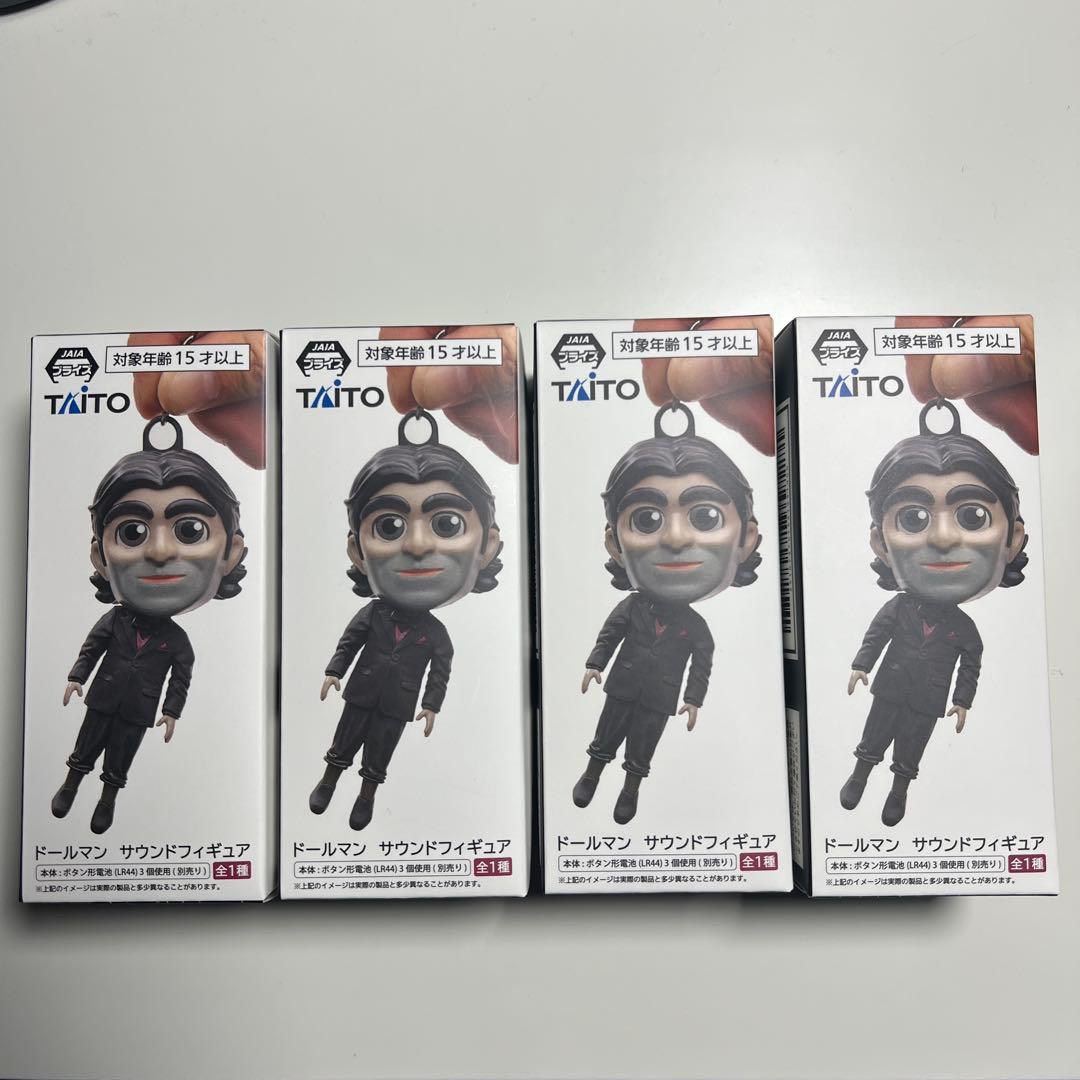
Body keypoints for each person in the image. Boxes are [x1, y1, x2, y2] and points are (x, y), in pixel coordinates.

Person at [309, 409, 503, 831]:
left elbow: (440, 672)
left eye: (447, 524)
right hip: (362, 691)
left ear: (486, 547)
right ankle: (329, 780)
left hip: (399, 703)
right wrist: (334, 671)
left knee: (380, 751)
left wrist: (431, 706)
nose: (416, 546)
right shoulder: (372, 613)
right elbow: (349, 642)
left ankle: (366, 795)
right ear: (358, 552)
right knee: (345, 739)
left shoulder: (437, 634)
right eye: (389, 526)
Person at [52, 416, 247, 834]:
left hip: (139, 708)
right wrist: (76, 677)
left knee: (121, 756)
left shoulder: (178, 642)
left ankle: (107, 799)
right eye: (132, 532)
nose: (159, 552)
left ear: (230, 553)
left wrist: (171, 712)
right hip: (104, 697)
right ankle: (71, 784)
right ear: (101, 558)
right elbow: (91, 648)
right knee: (86, 744)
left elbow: (180, 679)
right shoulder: (114, 620)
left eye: (190, 530)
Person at [841, 399, 1029, 826]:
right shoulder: (898, 607)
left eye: (973, 516)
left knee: (911, 748)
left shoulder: (966, 630)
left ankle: (898, 792)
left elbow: (970, 666)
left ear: (1013, 539)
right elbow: (876, 634)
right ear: (880, 543)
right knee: (874, 735)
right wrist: (860, 665)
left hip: (929, 699)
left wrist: (962, 702)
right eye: (913, 518)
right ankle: (859, 775)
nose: (943, 539)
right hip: (891, 686)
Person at [574, 403, 762, 824]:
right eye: (646, 519)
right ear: (615, 544)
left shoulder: (697, 628)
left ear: (746, 539)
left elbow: (701, 665)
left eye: (705, 517)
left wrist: (693, 700)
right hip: (623, 685)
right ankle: (592, 773)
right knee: (606, 733)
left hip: (661, 696)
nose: (675, 539)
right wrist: (594, 664)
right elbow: (609, 635)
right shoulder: (630, 607)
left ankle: (630, 789)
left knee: (643, 745)